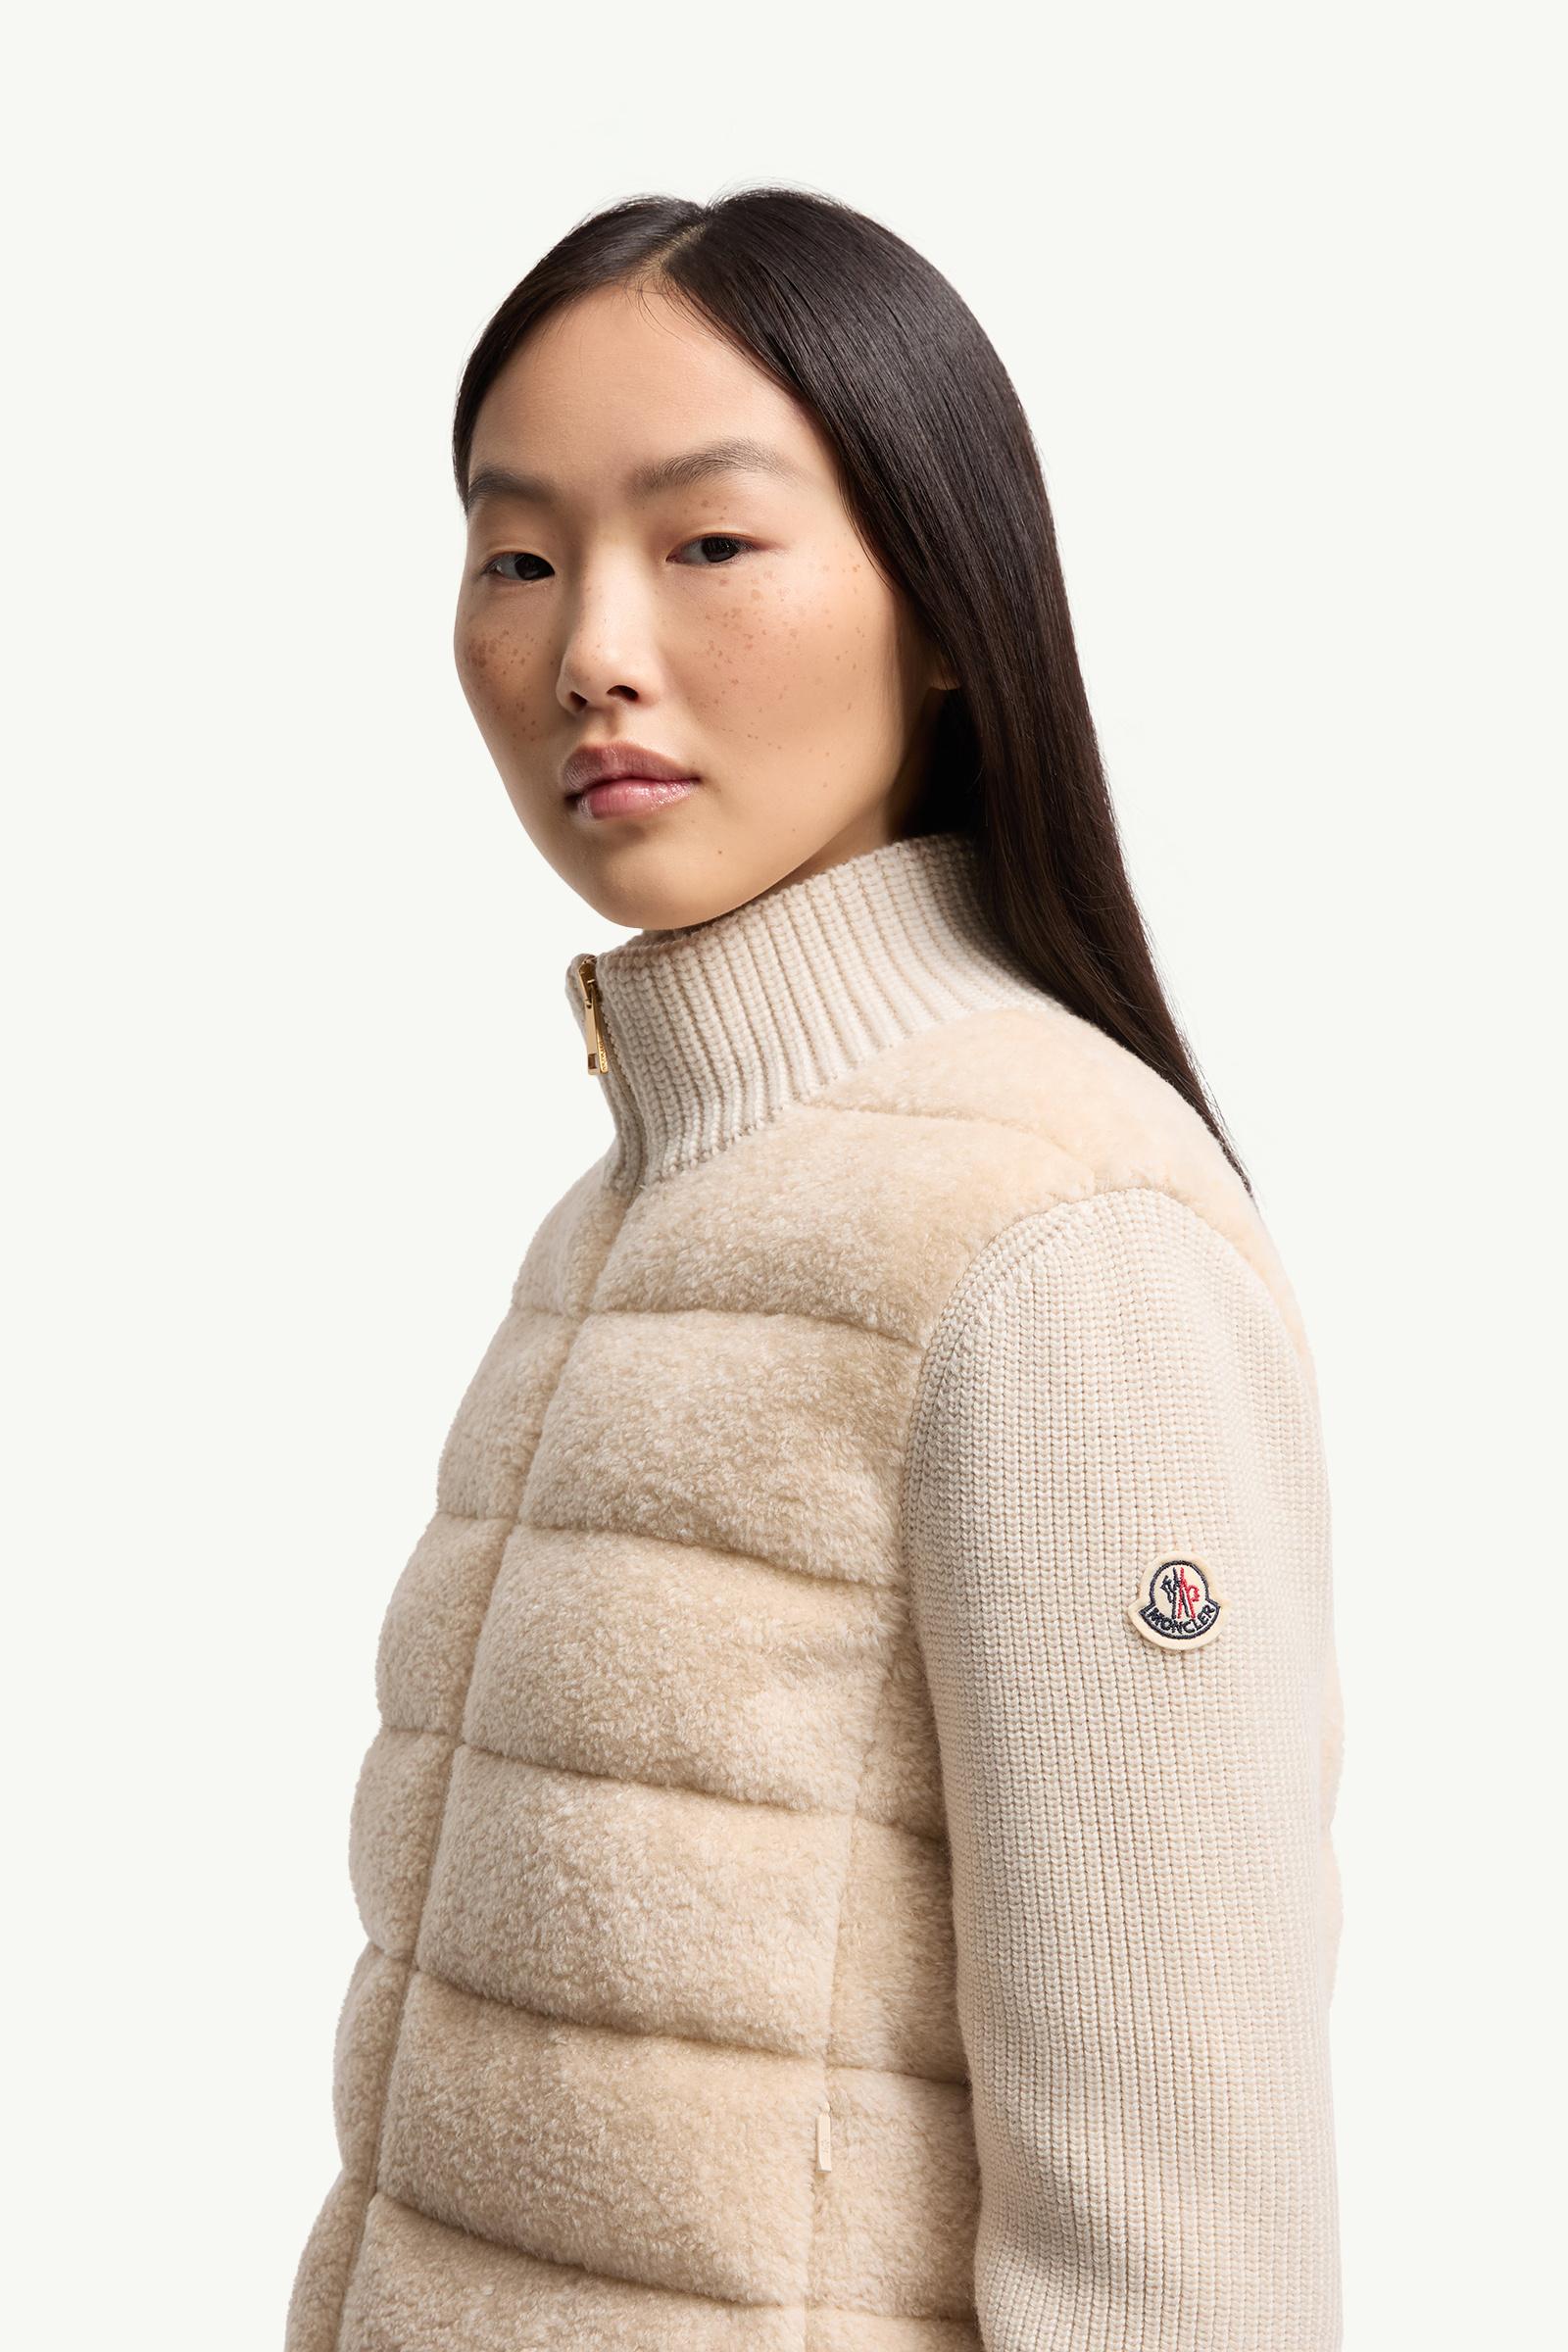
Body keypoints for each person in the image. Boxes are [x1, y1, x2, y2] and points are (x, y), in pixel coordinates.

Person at [285, 186, 1345, 2352]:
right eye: (517, 557)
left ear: (944, 607)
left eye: (706, 542)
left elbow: (1184, 2243)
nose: (590, 647)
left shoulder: (1063, 1246)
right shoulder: (627, 1216)